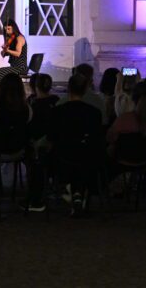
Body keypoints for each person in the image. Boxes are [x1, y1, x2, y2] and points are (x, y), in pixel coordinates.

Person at [35, 73, 104, 213]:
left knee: (41, 161)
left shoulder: (58, 111)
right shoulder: (94, 113)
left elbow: (51, 137)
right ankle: (78, 191)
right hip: (87, 159)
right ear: (85, 90)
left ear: (69, 89)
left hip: (62, 159)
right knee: (79, 158)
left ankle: (38, 198)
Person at [0, 18, 27, 85]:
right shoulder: (11, 39)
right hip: (13, 66)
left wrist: (7, 50)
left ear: (14, 28)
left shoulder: (19, 38)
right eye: (5, 29)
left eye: (9, 29)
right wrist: (4, 51)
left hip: (20, 68)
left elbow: (18, 53)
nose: (7, 31)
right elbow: (3, 55)